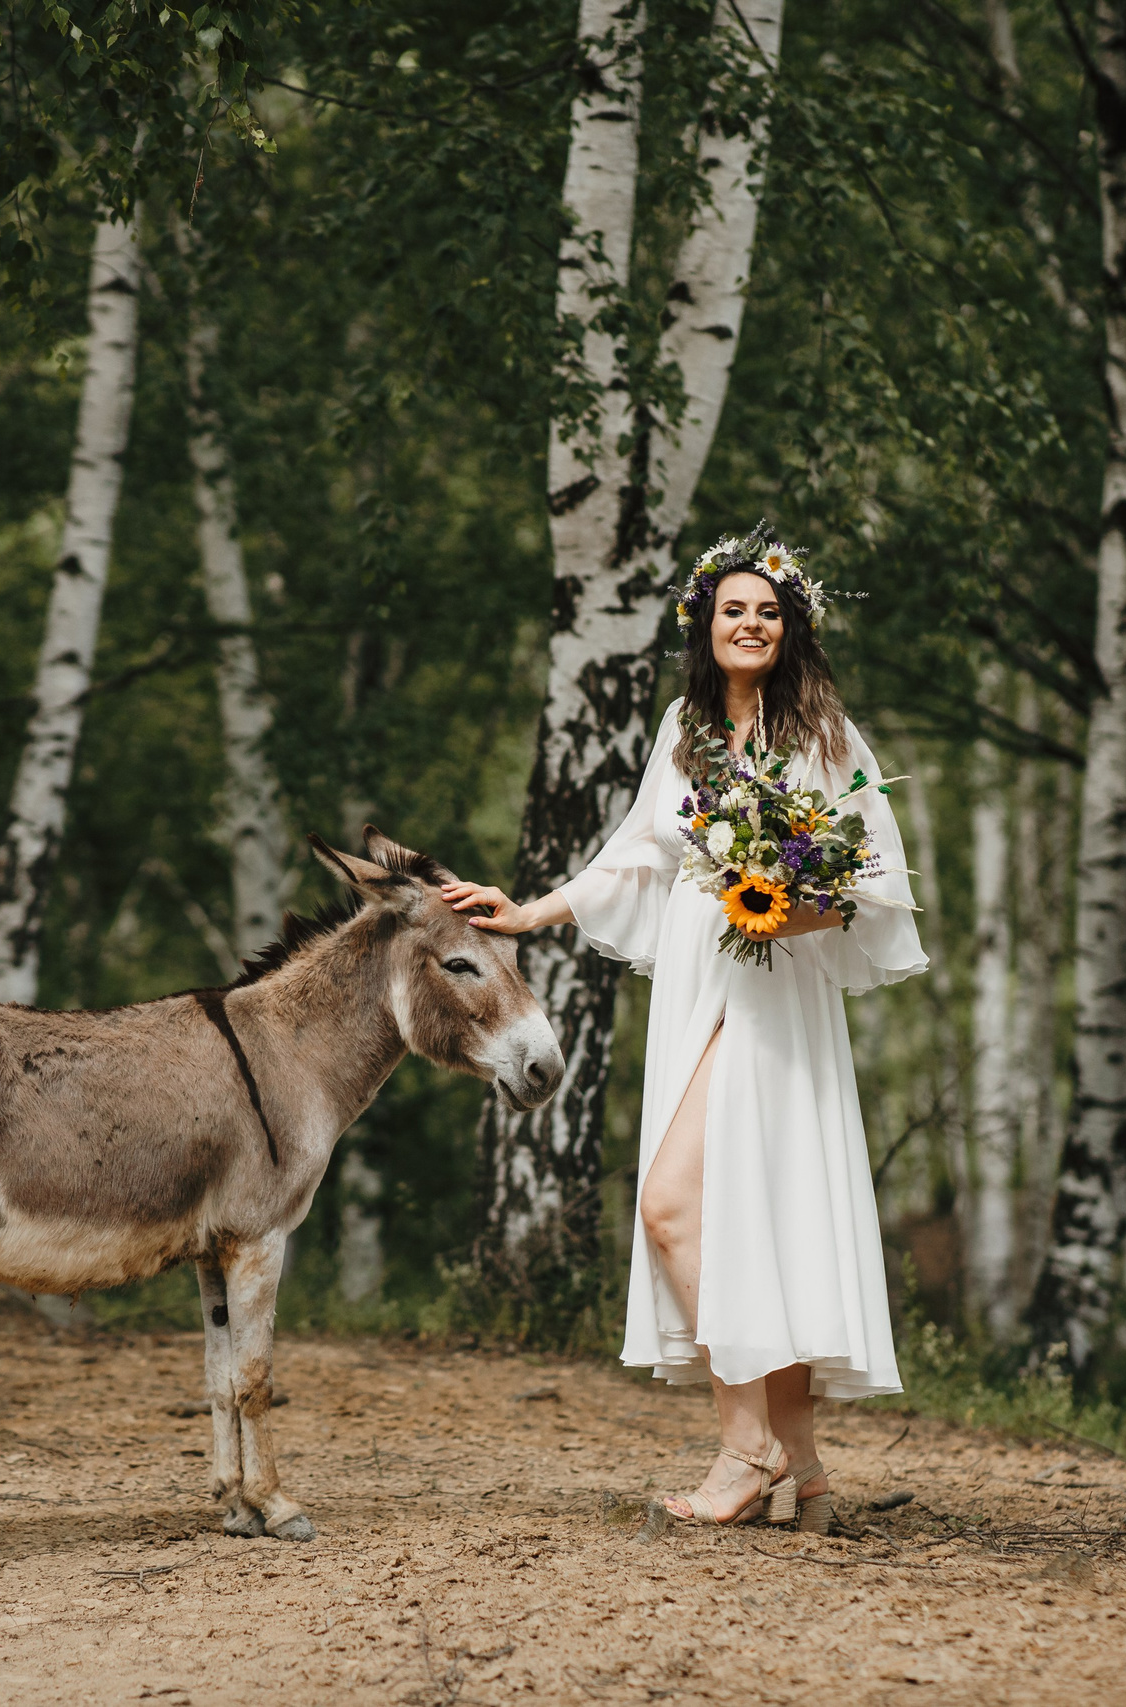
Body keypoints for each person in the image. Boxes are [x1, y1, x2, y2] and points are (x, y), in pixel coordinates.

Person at [443, 526, 928, 1531]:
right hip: (700, 978)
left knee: (673, 1205)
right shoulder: (683, 730)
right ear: (704, 626)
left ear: (791, 627)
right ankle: (800, 1465)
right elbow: (634, 856)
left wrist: (796, 910)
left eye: (767, 611)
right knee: (741, 1214)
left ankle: (747, 1447)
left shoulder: (824, 736)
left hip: (775, 990)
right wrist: (528, 914)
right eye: (731, 610)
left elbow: (871, 878)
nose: (749, 624)